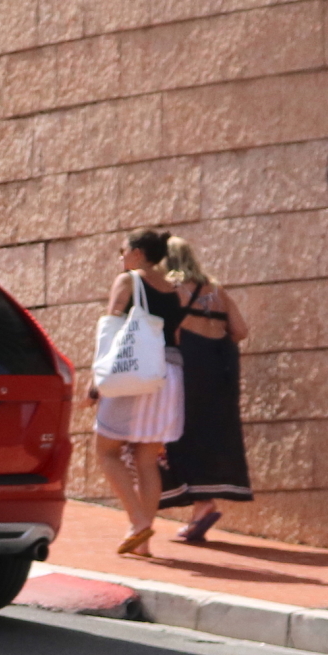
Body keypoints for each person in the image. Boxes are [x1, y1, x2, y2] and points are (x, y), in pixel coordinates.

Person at [93, 229, 187, 559]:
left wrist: (97, 380)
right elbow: (176, 334)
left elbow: (111, 329)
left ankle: (137, 522)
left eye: (123, 251)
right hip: (168, 374)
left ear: (137, 252)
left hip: (133, 371)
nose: (121, 258)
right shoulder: (177, 288)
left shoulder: (129, 281)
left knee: (105, 449)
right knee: (147, 458)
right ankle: (143, 541)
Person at [155, 235, 255, 544]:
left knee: (174, 434)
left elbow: (166, 332)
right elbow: (240, 331)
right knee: (210, 436)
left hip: (186, 370)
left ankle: (201, 504)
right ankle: (202, 504)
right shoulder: (217, 291)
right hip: (218, 373)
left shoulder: (171, 290)